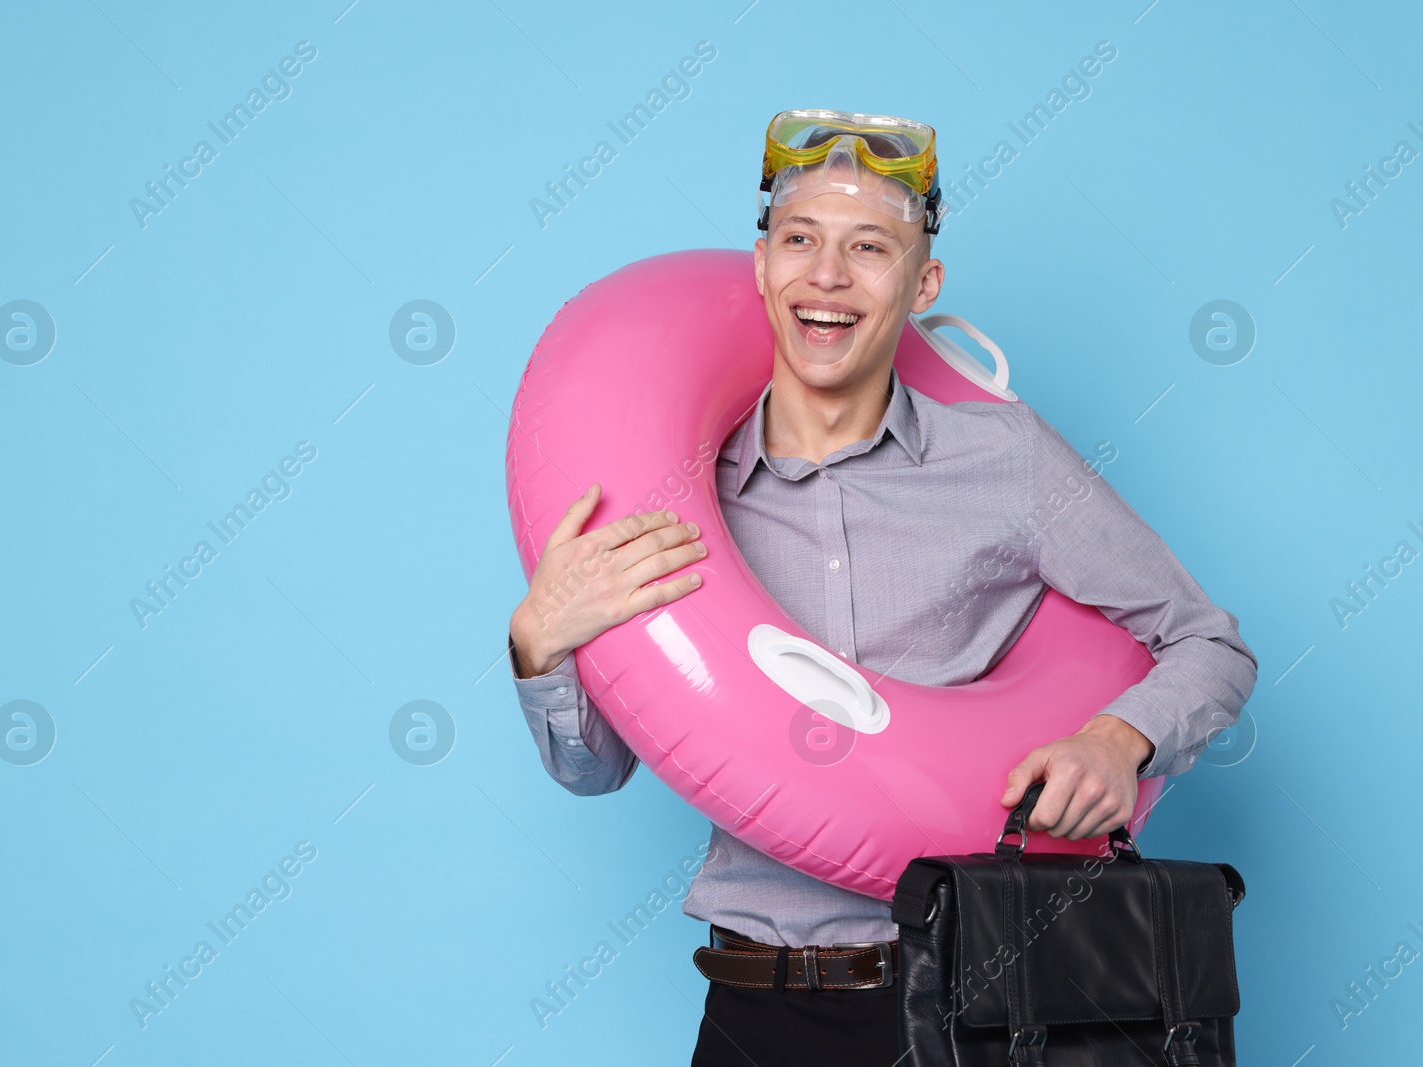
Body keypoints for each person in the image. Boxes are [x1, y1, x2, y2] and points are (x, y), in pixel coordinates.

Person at [506, 109, 1257, 1064]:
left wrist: (1118, 738)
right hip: (753, 1006)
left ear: (921, 281)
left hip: (964, 998)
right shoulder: (672, 507)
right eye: (800, 241)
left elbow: (1211, 643)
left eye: (869, 247)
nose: (827, 275)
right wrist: (540, 647)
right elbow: (594, 769)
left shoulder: (1004, 462)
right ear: (762, 267)